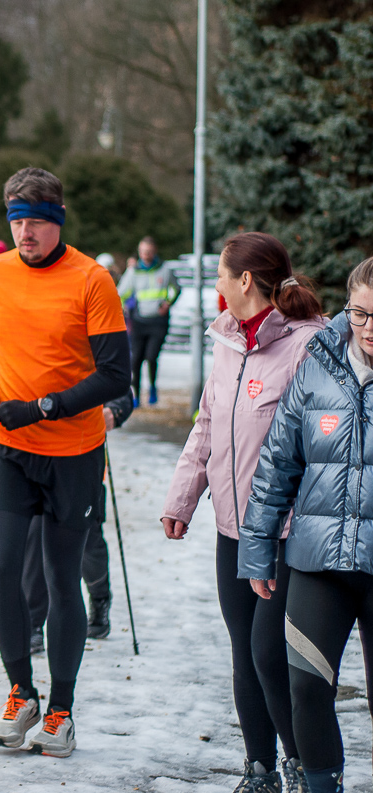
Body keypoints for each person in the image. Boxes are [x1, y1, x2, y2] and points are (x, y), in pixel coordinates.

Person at [0, 167, 130, 758]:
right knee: (4, 569)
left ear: (57, 220)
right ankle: (20, 692)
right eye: (15, 220)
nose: (24, 232)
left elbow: (115, 375)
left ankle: (61, 709)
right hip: (9, 451)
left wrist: (43, 407)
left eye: (35, 221)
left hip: (73, 453)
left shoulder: (92, 279)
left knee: (61, 579)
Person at [163, 233, 323, 792]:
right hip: (231, 528)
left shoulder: (308, 345)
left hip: (283, 531)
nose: (216, 288)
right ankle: (259, 767)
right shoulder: (227, 341)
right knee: (243, 652)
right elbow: (208, 424)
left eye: (220, 277)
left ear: (245, 282)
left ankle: (306, 765)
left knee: (267, 651)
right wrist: (183, 497)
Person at [239, 256, 373, 793]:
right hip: (320, 561)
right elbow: (277, 461)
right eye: (360, 314)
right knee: (307, 687)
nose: (369, 329)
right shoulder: (319, 361)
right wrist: (257, 548)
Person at [24, 392, 134, 654]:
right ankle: (34, 624)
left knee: (89, 544)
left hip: (83, 463)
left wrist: (114, 412)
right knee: (37, 540)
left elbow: (121, 391)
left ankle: (99, 600)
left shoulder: (91, 351)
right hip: (36, 459)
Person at [117, 236, 180, 405]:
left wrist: (168, 303)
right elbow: (120, 293)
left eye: (149, 252)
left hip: (158, 321)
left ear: (155, 252)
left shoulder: (164, 270)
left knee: (151, 357)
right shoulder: (133, 271)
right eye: (143, 251)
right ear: (139, 252)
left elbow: (176, 289)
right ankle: (136, 395)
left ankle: (152, 387)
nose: (146, 255)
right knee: (136, 359)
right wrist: (125, 306)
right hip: (138, 321)